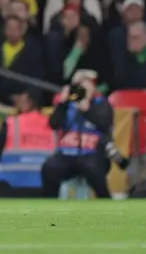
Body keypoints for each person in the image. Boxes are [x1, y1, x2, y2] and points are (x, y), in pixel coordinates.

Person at [41, 69, 113, 199]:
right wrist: (62, 104)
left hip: (93, 153)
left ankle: (106, 202)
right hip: (67, 153)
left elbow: (105, 124)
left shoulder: (101, 103)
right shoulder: (67, 105)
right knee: (49, 168)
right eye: (78, 85)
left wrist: (87, 109)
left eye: (85, 84)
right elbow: (53, 124)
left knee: (92, 169)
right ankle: (49, 206)